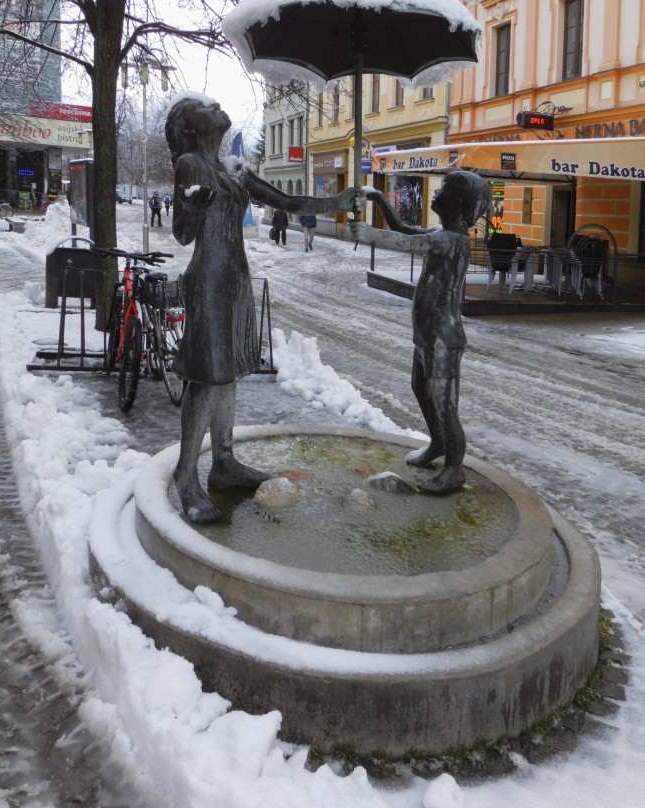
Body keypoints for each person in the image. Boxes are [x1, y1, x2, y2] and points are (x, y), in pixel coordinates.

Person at [166, 93, 364, 523]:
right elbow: (181, 234)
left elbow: (284, 202)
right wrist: (193, 209)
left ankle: (223, 460)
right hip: (208, 282)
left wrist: (335, 202)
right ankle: (186, 474)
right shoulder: (189, 164)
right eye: (204, 106)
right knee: (207, 376)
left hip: (235, 279)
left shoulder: (231, 168)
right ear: (190, 125)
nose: (215, 106)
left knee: (229, 371)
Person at [351, 171, 491, 496]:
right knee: (420, 388)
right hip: (427, 334)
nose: (437, 192)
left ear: (458, 204)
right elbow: (404, 229)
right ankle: (438, 443)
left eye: (445, 189)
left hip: (444, 338)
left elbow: (409, 243)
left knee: (445, 404)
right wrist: (378, 199)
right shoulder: (441, 233)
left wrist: (371, 234)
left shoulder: (453, 241)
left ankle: (454, 469)